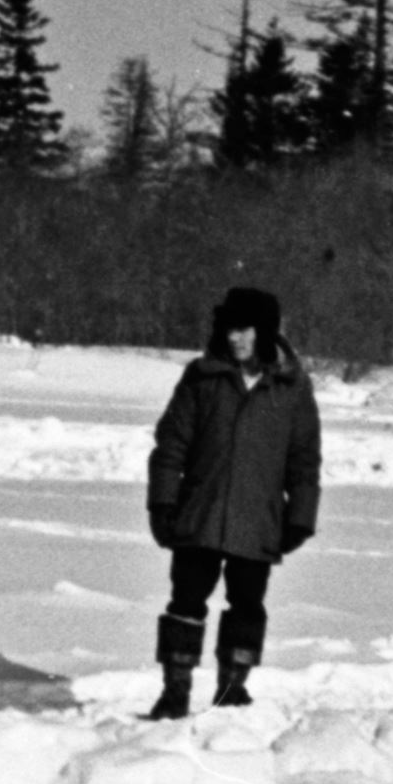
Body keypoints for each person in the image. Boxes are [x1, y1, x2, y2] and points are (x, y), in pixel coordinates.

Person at [143, 284, 320, 718]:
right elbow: (171, 447)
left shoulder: (291, 387)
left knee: (246, 607)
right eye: (227, 330)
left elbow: (304, 460)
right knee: (185, 604)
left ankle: (231, 693)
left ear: (265, 333)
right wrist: (163, 504)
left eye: (242, 330)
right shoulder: (202, 377)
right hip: (198, 516)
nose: (233, 339)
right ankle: (174, 693)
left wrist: (299, 517)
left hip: (257, 521)